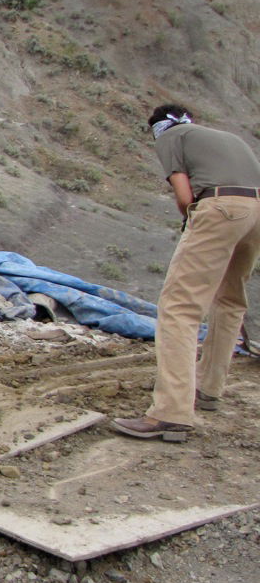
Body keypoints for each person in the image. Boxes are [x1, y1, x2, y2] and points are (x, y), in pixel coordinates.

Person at [111, 104, 260, 441]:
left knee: (180, 307)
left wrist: (192, 219)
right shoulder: (223, 137)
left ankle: (171, 412)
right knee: (230, 299)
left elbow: (184, 195)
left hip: (221, 208)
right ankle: (209, 388)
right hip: (256, 212)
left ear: (157, 127)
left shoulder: (170, 136)